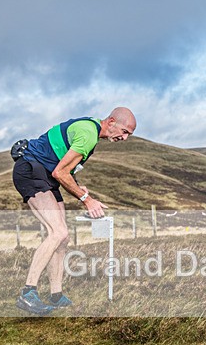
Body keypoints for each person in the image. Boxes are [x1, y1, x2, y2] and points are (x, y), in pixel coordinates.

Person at [12, 107, 136, 314]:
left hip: (45, 175)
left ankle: (56, 295)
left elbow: (64, 166)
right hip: (31, 170)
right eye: (124, 131)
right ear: (112, 121)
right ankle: (28, 293)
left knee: (63, 238)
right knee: (57, 232)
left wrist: (78, 188)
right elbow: (60, 172)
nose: (124, 138)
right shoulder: (88, 134)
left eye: (128, 135)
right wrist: (87, 200)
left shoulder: (90, 130)